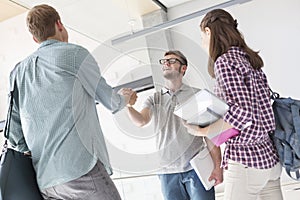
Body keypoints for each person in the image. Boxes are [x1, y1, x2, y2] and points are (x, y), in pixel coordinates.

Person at [7, 4, 136, 200]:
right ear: (59, 24)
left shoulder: (17, 72)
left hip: (47, 182)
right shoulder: (74, 54)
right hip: (80, 169)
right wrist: (126, 97)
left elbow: (15, 135)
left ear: (35, 38)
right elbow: (111, 102)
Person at [183, 9, 283, 200]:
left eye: (202, 36)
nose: (202, 42)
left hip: (247, 160)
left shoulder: (225, 61)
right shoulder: (250, 60)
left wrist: (202, 130)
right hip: (269, 159)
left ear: (208, 31)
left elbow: (242, 114)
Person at [124, 50, 223, 200]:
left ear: (183, 68)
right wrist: (128, 106)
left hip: (196, 168)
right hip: (167, 172)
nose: (166, 64)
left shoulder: (198, 96)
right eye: (164, 62)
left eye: (171, 61)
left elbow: (210, 135)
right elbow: (142, 120)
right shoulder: (154, 99)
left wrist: (217, 166)